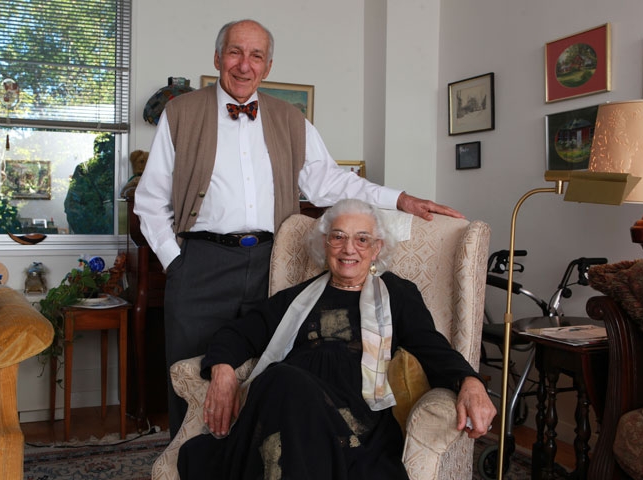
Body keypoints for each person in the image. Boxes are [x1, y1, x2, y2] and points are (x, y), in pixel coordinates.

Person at [132, 18, 464, 435]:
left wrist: (402, 200)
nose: (244, 65)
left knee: (266, 372)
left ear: (267, 67)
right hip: (201, 263)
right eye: (235, 52)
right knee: (193, 377)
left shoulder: (291, 119)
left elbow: (331, 182)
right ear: (218, 58)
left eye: (256, 56)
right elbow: (149, 201)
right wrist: (176, 262)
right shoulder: (180, 113)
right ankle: (192, 462)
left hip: (273, 261)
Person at [177, 199, 496, 479]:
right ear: (325, 244)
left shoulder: (396, 294)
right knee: (283, 381)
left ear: (377, 248)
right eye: (338, 237)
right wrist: (222, 370)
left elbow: (430, 346)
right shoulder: (297, 297)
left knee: (283, 381)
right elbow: (238, 332)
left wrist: (468, 380)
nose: (349, 248)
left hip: (354, 417)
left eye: (362, 239)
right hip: (284, 401)